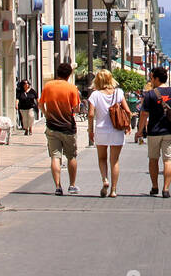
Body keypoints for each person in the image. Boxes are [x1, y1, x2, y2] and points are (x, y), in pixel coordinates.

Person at [138, 66, 171, 198]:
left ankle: (154, 187)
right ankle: (166, 189)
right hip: (170, 130)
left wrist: (140, 131)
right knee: (168, 160)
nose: (151, 80)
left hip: (154, 131)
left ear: (157, 78)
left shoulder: (150, 94)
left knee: (153, 159)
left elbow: (144, 114)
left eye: (152, 77)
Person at [39, 61, 82, 195]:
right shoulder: (72, 88)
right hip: (68, 127)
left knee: (55, 156)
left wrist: (47, 115)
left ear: (57, 73)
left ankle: (58, 186)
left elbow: (40, 104)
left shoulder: (48, 86)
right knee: (71, 156)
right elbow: (76, 108)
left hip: (52, 126)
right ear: (69, 74)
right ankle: (72, 185)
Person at [88, 69, 128, 198]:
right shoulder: (119, 92)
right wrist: (128, 125)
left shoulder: (95, 95)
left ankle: (105, 179)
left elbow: (90, 114)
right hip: (116, 130)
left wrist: (90, 130)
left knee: (102, 158)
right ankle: (114, 190)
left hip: (101, 130)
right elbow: (127, 110)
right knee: (114, 161)